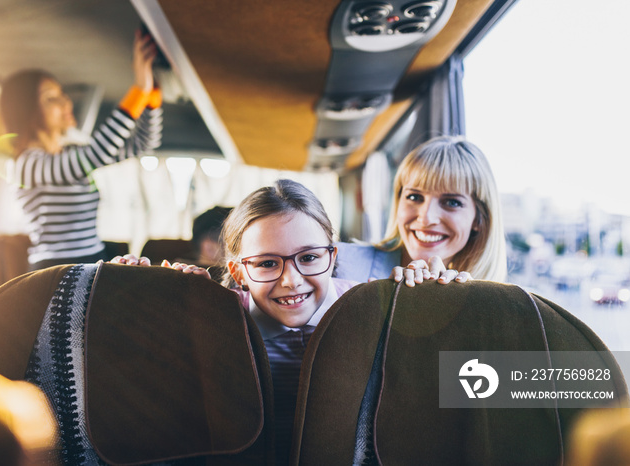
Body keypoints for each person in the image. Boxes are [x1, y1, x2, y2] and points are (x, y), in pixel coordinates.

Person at [112, 178, 467, 463]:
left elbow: (465, 390)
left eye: (309, 257)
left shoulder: (377, 309)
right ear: (238, 272)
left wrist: (446, 308)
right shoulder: (215, 319)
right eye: (267, 263)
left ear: (333, 255)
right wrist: (136, 299)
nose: (291, 281)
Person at [0, 29, 163, 271]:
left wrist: (152, 96)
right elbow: (97, 153)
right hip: (54, 271)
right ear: (26, 110)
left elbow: (144, 143)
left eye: (62, 95)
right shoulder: (26, 164)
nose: (65, 102)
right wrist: (138, 89)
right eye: (51, 98)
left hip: (95, 260)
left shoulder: (69, 154)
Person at [335, 135, 507, 283]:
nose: (426, 218)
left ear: (479, 219)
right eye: (414, 197)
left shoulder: (485, 305)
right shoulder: (336, 264)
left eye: (452, 202)